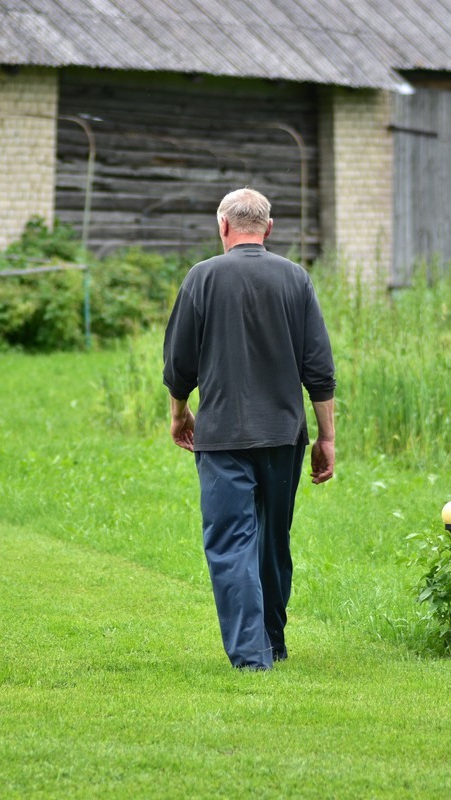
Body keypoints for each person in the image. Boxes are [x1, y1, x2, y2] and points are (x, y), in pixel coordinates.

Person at [162, 187, 336, 670]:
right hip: (284, 437)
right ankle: (273, 644)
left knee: (230, 541)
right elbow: (318, 369)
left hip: (221, 438)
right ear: (268, 228)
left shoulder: (202, 278)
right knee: (272, 542)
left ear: (223, 227)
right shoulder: (295, 278)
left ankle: (252, 656)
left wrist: (179, 413)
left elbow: (179, 364)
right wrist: (327, 437)